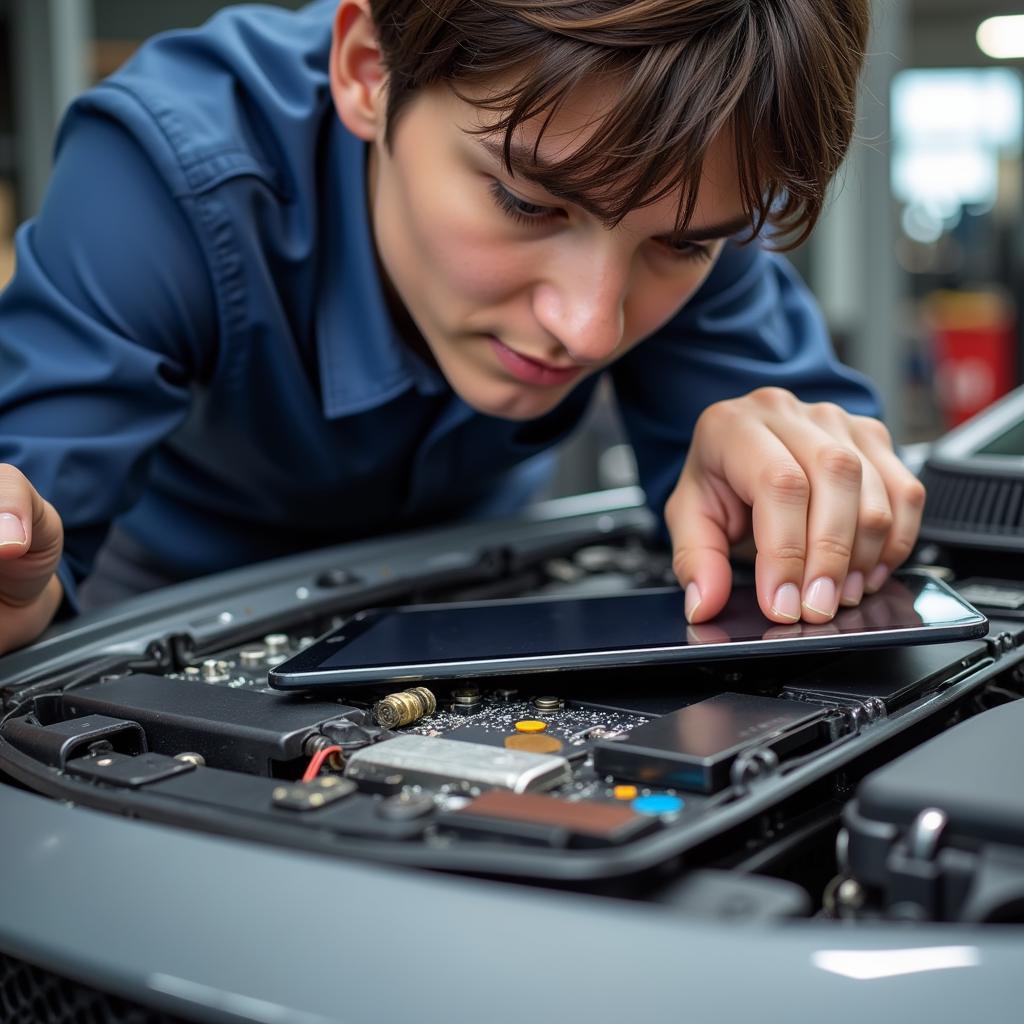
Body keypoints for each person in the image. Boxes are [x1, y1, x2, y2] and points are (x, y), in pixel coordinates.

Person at [0, 0, 925, 656]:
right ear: (369, 72)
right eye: (526, 203)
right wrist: (17, 581)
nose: (591, 329)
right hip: (158, 609)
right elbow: (35, 538)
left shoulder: (679, 181)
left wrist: (797, 491)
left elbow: (828, 472)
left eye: (680, 245)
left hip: (469, 605)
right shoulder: (167, 177)